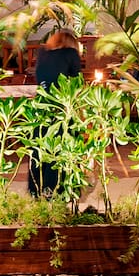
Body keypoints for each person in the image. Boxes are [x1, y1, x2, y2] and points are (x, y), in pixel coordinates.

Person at [27, 29, 83, 196]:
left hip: (42, 104)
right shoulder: (71, 53)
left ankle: (36, 188)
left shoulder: (43, 52)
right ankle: (60, 187)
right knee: (62, 144)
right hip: (62, 104)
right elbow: (76, 81)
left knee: (40, 147)